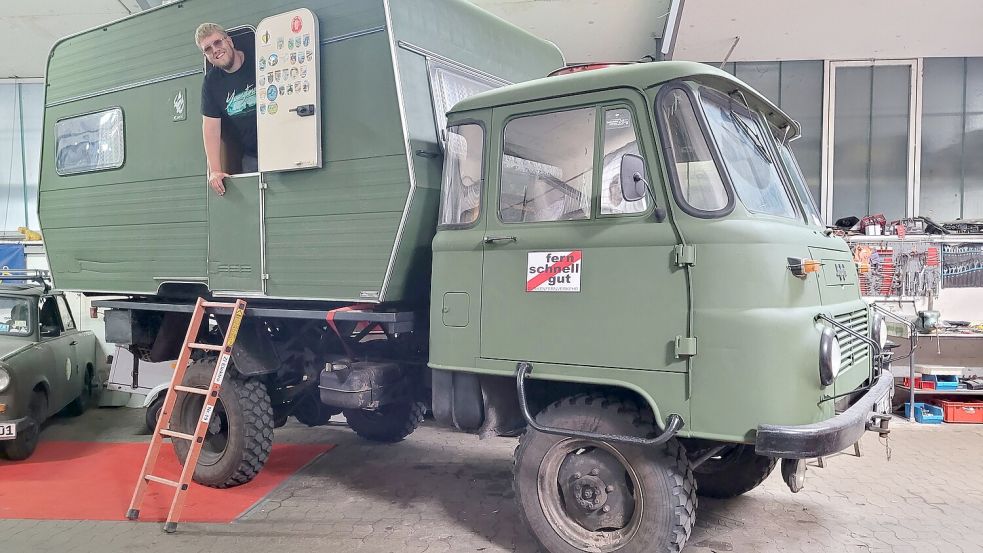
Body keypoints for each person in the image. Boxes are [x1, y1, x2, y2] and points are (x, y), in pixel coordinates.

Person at [195, 23, 257, 196]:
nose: (215, 50)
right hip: (251, 156)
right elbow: (211, 128)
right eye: (208, 49)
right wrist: (215, 170)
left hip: (279, 148)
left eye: (218, 42)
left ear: (229, 41)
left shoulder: (258, 60)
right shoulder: (212, 82)